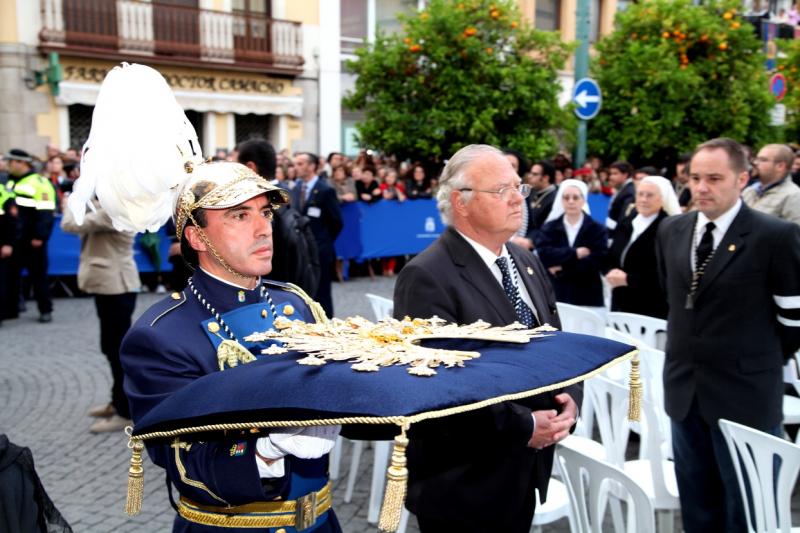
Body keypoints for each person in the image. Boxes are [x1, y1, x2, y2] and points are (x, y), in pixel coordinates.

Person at [119, 162, 342, 532]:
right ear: (196, 238)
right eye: (239, 215)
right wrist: (265, 451)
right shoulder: (162, 334)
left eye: (265, 213)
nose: (263, 229)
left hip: (320, 520)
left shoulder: (297, 303)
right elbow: (181, 460)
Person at [393, 144, 580, 533]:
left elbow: (555, 343)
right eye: (501, 190)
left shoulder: (525, 261)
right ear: (461, 202)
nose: (517, 199)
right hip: (465, 482)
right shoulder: (427, 275)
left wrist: (569, 402)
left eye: (518, 187)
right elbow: (441, 387)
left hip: (523, 472)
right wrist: (524, 426)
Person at [655, 137, 800, 533]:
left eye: (714, 178)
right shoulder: (672, 230)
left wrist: (756, 359)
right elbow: (674, 296)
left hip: (746, 396)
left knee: (747, 511)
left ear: (742, 179)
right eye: (695, 177)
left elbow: (794, 318)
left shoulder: (775, 236)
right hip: (685, 394)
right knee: (698, 508)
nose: (701, 187)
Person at [61, 199, 140, 433]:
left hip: (115, 285)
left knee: (117, 350)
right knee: (111, 347)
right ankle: (117, 401)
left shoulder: (115, 209)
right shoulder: (111, 208)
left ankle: (125, 411)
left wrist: (73, 200)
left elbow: (69, 224)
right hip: (111, 284)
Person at [238, 139, 321, 296]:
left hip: (273, 287)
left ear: (250, 167)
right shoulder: (285, 193)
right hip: (288, 285)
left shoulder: (264, 201)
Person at [605, 175, 680, 318]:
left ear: (662, 199)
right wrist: (610, 270)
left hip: (650, 307)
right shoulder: (628, 221)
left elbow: (667, 272)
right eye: (640, 194)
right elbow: (611, 254)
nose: (644, 199)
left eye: (650, 195)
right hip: (620, 300)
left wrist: (629, 279)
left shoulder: (669, 228)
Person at [536, 179, 608, 308]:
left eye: (575, 197)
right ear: (561, 200)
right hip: (557, 292)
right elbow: (544, 254)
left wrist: (562, 268)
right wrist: (574, 253)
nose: (571, 201)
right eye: (566, 197)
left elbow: (597, 260)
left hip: (587, 293)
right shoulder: (549, 227)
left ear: (584, 200)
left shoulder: (597, 229)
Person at [4, 149, 56, 323]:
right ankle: (11, 309)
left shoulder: (39, 182)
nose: (8, 165)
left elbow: (46, 213)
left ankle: (45, 309)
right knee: (10, 276)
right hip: (14, 239)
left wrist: (40, 236)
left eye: (10, 162)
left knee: (38, 276)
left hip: (32, 239)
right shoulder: (9, 182)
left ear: (21, 163)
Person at [291, 152, 343, 318]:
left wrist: (324, 241)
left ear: (312, 166)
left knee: (322, 292)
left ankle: (327, 325)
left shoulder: (325, 190)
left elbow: (337, 221)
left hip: (320, 249)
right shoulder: (296, 188)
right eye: (296, 164)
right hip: (300, 249)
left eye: (300, 164)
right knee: (302, 291)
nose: (296, 167)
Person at [742, 143, 800, 225]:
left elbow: (795, 234)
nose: (755, 163)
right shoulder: (749, 190)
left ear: (780, 166)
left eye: (763, 160)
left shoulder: (794, 196)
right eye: (756, 159)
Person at [606, 160, 635, 230]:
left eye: (615, 174)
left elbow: (623, 221)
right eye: (611, 174)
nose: (611, 177)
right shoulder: (624, 189)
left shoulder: (629, 192)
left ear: (625, 175)